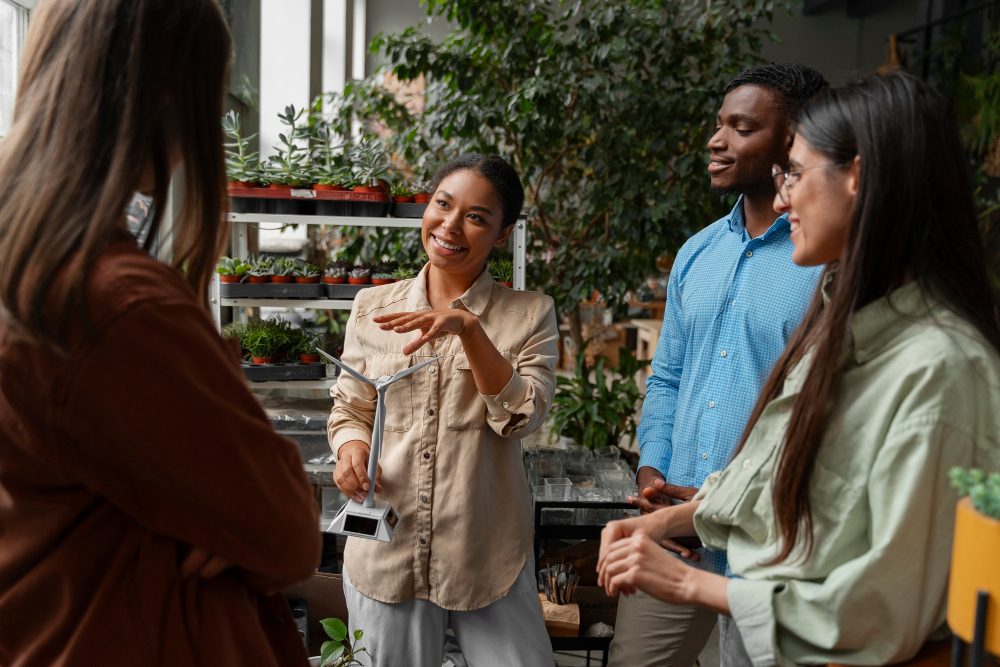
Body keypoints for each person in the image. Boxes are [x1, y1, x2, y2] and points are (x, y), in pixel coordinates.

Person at [598, 71, 1000, 666]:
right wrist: (672, 519)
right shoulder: (850, 323)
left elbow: (882, 607)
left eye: (796, 173)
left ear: (858, 177)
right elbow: (793, 476)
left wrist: (693, 583)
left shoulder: (940, 369)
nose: (783, 198)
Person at [0, 2, 321, 665]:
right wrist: (215, 517)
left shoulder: (30, 268)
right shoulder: (120, 305)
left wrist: (206, 509)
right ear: (174, 98)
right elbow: (288, 532)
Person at [609, 64, 827, 667]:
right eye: (718, 124)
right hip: (675, 528)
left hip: (770, 536)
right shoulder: (698, 252)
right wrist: (651, 475)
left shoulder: (829, 261)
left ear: (794, 141)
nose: (716, 139)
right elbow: (669, 375)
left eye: (741, 126)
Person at [328, 154, 558, 666]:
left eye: (476, 217)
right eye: (442, 204)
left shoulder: (529, 313)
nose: (451, 226)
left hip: (485, 550)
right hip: (390, 546)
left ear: (502, 235)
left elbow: (523, 416)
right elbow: (350, 407)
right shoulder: (371, 307)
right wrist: (351, 449)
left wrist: (469, 330)